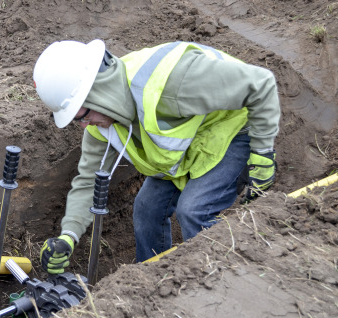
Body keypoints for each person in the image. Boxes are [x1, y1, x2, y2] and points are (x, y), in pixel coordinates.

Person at [34, 39, 280, 274]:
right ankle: (152, 284)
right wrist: (68, 236)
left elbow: (261, 83)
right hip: (188, 150)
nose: (85, 125)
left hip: (233, 130)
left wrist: (262, 153)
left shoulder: (173, 83)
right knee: (147, 208)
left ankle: (217, 281)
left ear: (99, 92)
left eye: (82, 116)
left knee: (194, 210)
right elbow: (88, 181)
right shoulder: (102, 125)